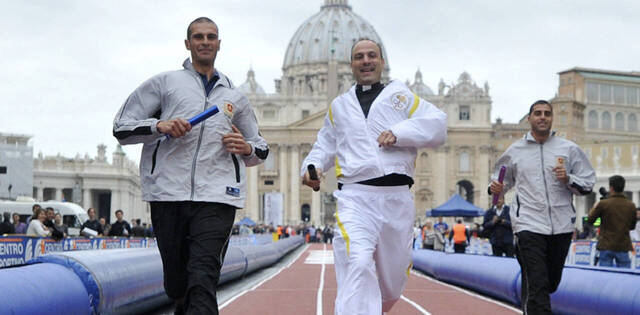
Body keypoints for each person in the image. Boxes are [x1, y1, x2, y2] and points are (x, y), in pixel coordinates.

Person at [112, 17, 268, 314]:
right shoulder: (164, 83)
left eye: (211, 37)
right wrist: (160, 126)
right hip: (168, 194)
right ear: (188, 43)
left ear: (219, 44)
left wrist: (246, 147)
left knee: (203, 276)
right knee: (177, 282)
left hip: (217, 196)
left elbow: (260, 147)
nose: (205, 42)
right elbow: (121, 128)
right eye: (199, 37)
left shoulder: (235, 97)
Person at [301, 38, 447, 314]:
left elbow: (438, 125)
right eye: (359, 56)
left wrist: (401, 133)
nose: (366, 60)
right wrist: (312, 168)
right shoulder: (339, 106)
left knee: (393, 283)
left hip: (396, 198)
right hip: (356, 197)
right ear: (351, 65)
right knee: (356, 263)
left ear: (382, 62)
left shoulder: (401, 96)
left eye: (371, 55)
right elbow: (322, 147)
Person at [489, 99, 595, 315]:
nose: (543, 117)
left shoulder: (569, 149)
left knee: (550, 282)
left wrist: (568, 178)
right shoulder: (515, 151)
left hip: (562, 225)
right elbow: (500, 181)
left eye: (547, 113)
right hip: (528, 224)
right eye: (537, 113)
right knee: (537, 281)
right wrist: (496, 188)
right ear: (529, 119)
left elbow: (587, 183)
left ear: (552, 118)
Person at [587, 175, 637, 268]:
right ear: (623, 187)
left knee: (606, 276)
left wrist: (595, 207)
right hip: (623, 245)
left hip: (606, 245)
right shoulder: (631, 205)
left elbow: (590, 220)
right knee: (625, 276)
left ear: (611, 188)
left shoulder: (604, 204)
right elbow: (632, 227)